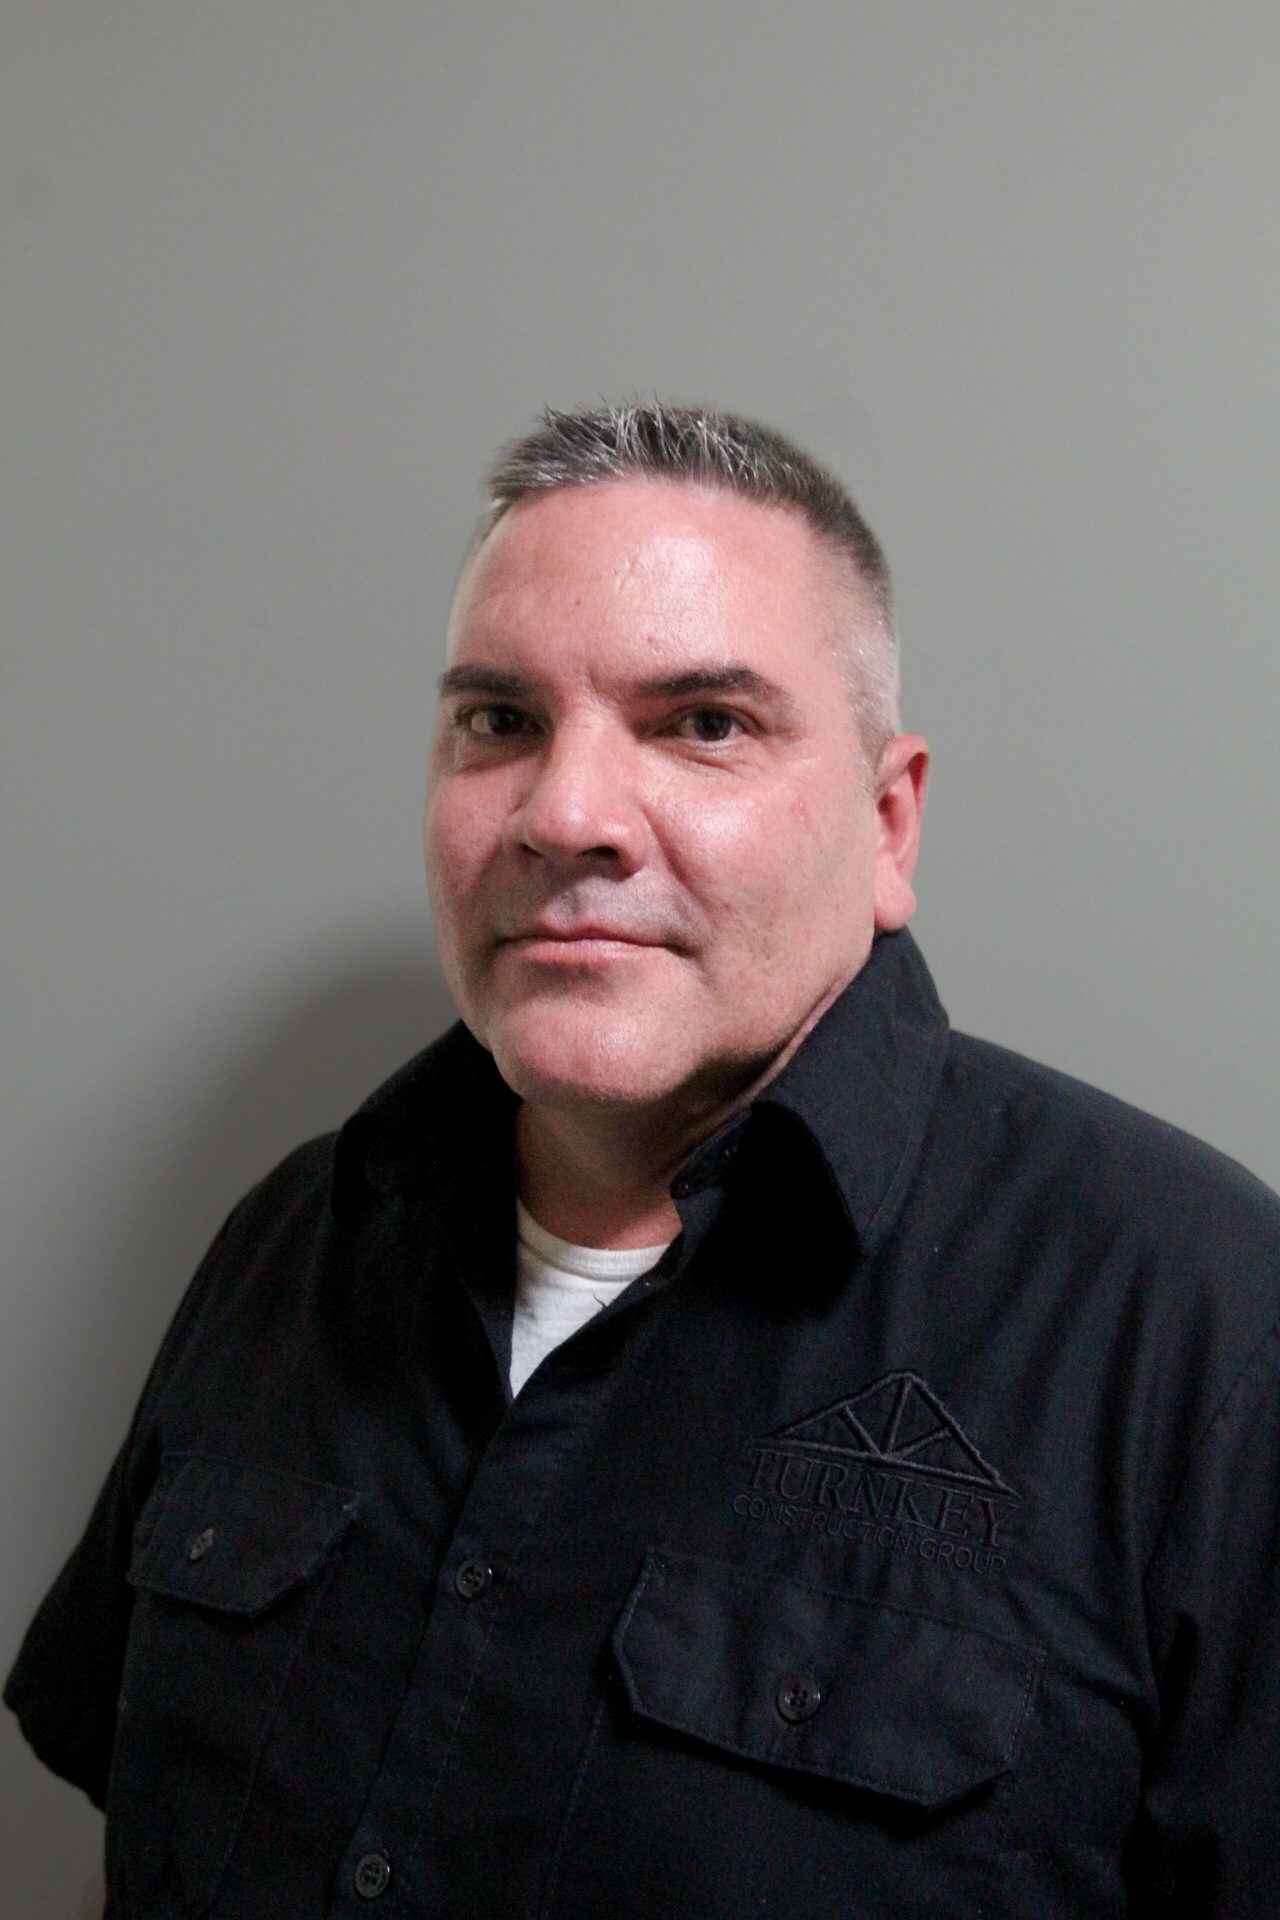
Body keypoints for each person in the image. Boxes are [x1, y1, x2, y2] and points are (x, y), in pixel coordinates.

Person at [6, 403, 1279, 1919]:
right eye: (500, 721)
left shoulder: (1198, 1327)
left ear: (888, 823)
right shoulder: (296, 1237)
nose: (565, 815)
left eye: (704, 724)